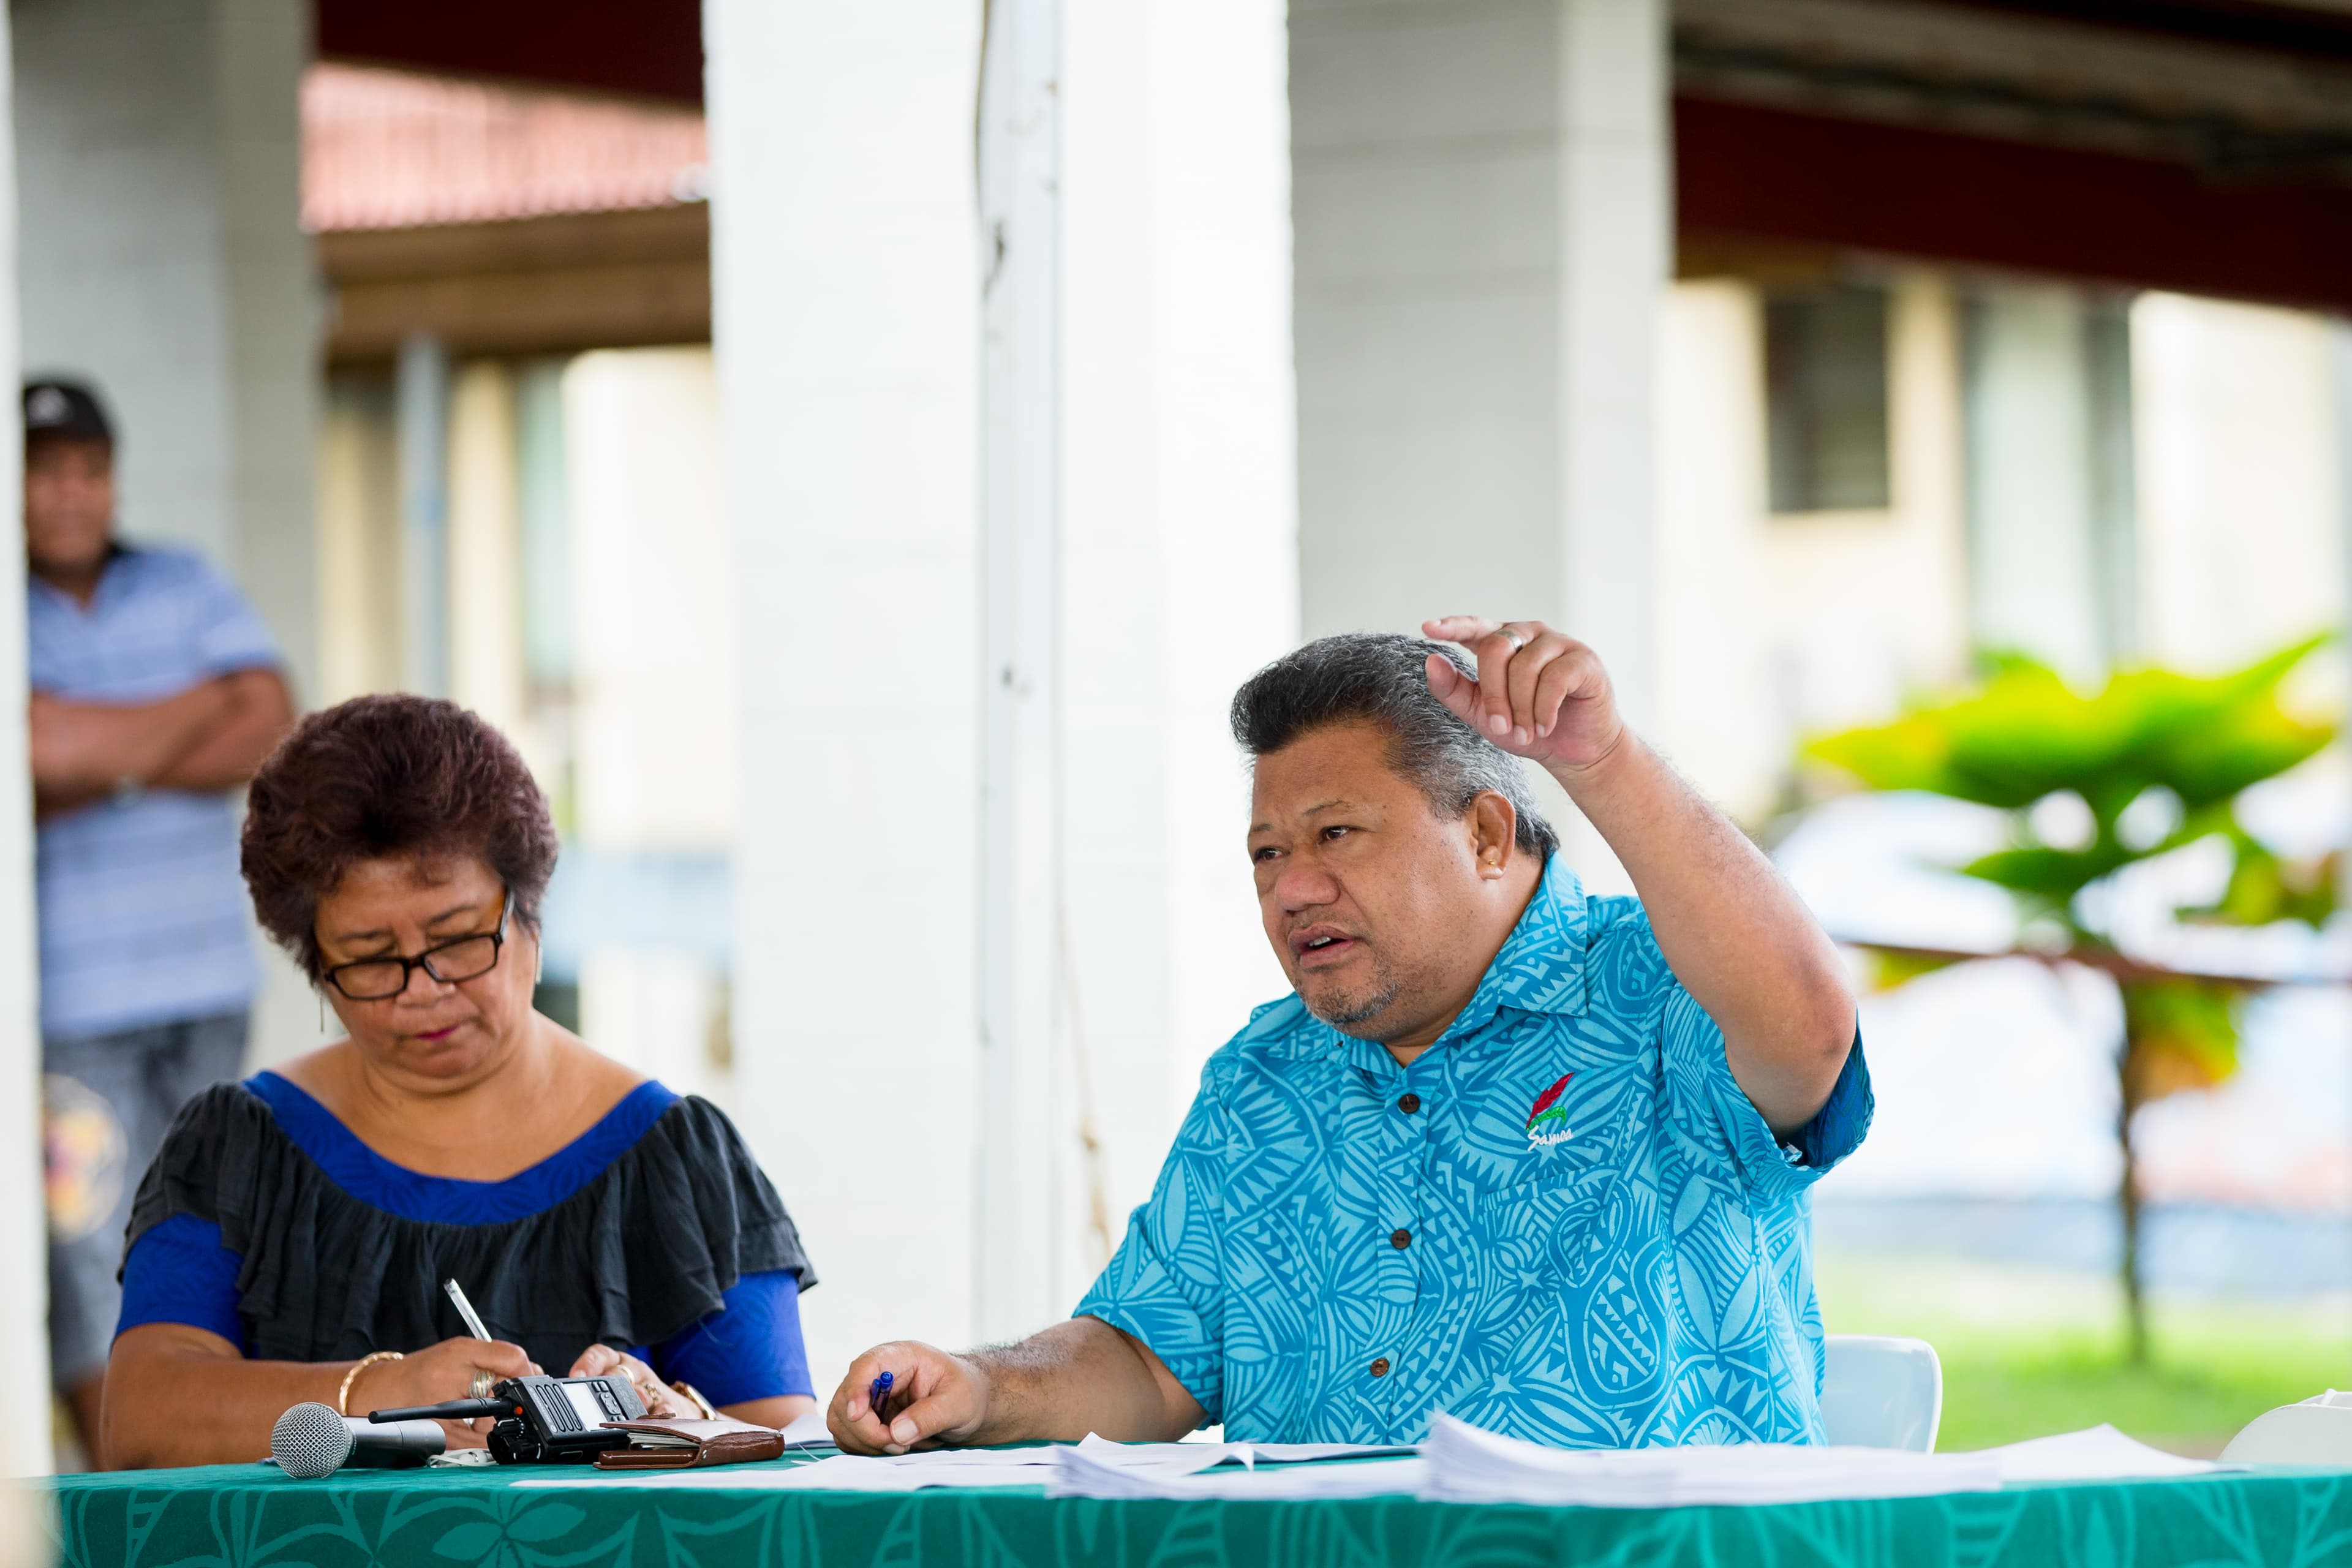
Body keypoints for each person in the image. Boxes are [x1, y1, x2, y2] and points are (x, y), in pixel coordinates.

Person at [831, 618, 1872, 1451]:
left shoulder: (1655, 990)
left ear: (1486, 832)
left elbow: (1810, 1028)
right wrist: (979, 1386)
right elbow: (1152, 1361)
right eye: (1267, 853)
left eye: (1336, 834)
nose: (1293, 889)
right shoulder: (1263, 1076)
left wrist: (1600, 761)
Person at [102, 695, 818, 1468]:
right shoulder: (237, 1147)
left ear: (530, 919)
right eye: (373, 957)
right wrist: (386, 1388)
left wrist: (671, 1416)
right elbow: (141, 1422)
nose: (424, 988)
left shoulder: (677, 1159)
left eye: (457, 938)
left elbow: (782, 1447)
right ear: (316, 965)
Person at [24, 379, 297, 1464]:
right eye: (45, 472)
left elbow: (270, 718)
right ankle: (119, 1483)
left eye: (88, 469)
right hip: (74, 1006)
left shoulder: (183, 579)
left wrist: (109, 754)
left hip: (204, 987)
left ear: (113, 479)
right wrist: (191, 716)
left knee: (207, 1239)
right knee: (88, 1244)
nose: (69, 493)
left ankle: (205, 1471)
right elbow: (33, 752)